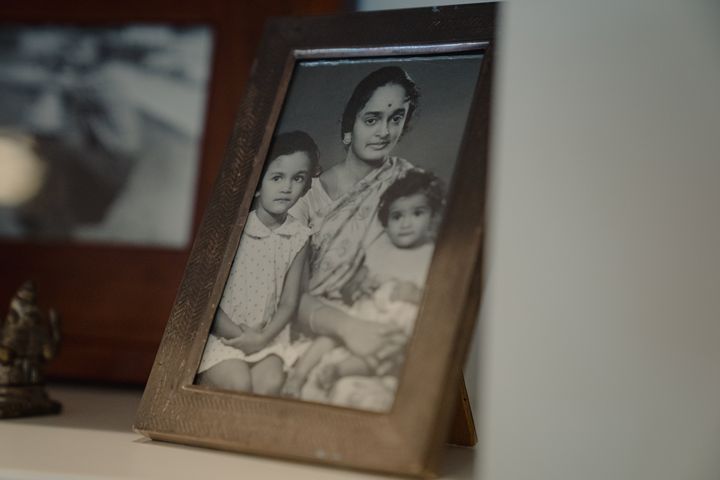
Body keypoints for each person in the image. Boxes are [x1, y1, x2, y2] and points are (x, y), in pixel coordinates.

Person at [286, 66, 422, 402]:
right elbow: (284, 296)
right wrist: (350, 328)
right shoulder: (303, 196)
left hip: (385, 321)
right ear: (351, 125)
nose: (384, 132)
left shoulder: (411, 186)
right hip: (311, 333)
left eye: (396, 118)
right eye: (372, 119)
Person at [283, 170, 445, 408]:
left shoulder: (432, 255)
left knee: (383, 354)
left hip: (396, 323)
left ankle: (337, 371)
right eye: (397, 217)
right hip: (365, 311)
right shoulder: (380, 248)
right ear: (386, 223)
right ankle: (298, 376)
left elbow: (439, 302)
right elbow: (350, 289)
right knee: (329, 336)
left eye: (417, 213)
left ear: (432, 218)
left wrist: (415, 294)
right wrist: (359, 284)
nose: (405, 223)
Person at [195, 131, 320, 395]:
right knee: (239, 383)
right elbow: (208, 298)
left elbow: (288, 302)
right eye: (277, 177)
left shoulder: (299, 236)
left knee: (270, 384)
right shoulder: (233, 229)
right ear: (259, 182)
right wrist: (240, 337)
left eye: (297, 178)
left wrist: (262, 338)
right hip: (222, 335)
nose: (287, 188)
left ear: (307, 184)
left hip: (267, 336)